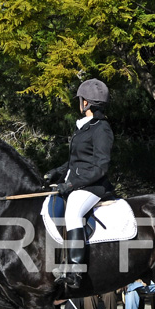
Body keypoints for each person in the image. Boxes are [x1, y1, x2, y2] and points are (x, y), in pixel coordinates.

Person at [43, 78, 115, 288]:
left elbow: (101, 166)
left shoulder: (101, 128)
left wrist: (72, 184)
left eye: (81, 99)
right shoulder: (83, 127)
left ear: (87, 103)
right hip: (77, 183)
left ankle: (75, 270)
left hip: (93, 186)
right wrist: (57, 172)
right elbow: (76, 161)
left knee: (73, 212)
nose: (79, 103)